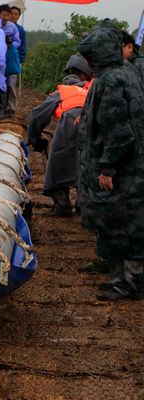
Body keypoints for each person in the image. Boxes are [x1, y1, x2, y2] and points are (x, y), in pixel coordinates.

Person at [76, 22, 144, 301]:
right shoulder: (123, 73)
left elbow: (118, 132)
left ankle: (127, 282)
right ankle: (119, 274)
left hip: (123, 168)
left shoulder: (112, 79)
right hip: (131, 164)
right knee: (124, 220)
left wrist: (107, 167)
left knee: (121, 221)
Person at [26, 54, 93, 217]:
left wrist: (35, 140)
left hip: (70, 127)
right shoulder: (91, 90)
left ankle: (62, 205)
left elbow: (36, 116)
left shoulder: (61, 91)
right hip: (92, 127)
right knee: (86, 163)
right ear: (85, 75)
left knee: (58, 162)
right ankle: (83, 206)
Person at [0, 4, 21, 115]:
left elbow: (18, 41)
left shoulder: (12, 27)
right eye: (4, 15)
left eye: (8, 16)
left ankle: (9, 108)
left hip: (8, 58)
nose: (6, 18)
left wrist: (10, 44)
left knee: (9, 83)